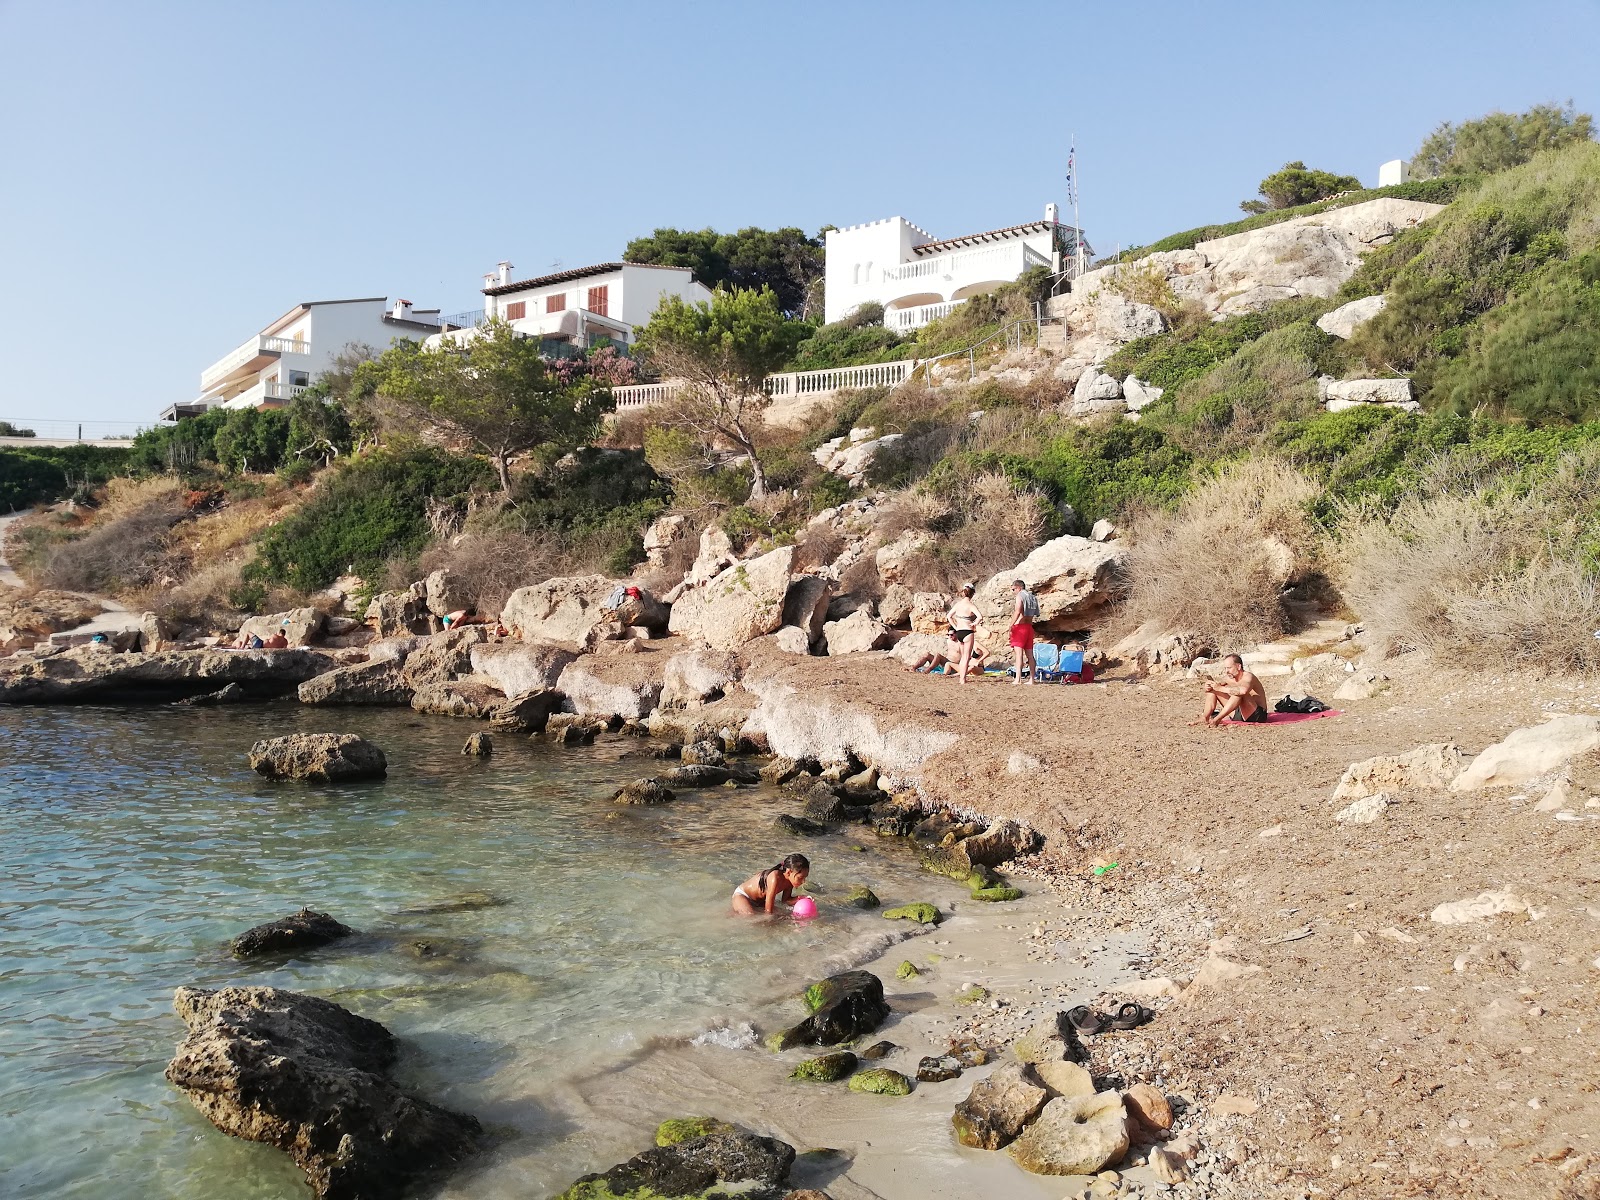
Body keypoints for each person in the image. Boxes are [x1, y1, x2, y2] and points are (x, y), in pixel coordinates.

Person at [1191, 654, 1267, 726]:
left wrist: (1220, 688)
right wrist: (1210, 686)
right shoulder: (1229, 678)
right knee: (1214, 690)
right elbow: (1217, 686)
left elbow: (1244, 691)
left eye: (1229, 668)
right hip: (1239, 713)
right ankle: (1205, 717)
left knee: (1238, 693)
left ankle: (1217, 718)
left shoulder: (1248, 676)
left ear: (1238, 666)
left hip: (1256, 715)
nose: (1227, 671)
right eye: (1225, 668)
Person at [732, 853, 811, 916]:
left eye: (805, 878)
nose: (803, 881)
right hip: (743, 896)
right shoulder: (775, 878)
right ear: (789, 872)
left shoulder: (790, 881)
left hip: (759, 901)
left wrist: (801, 898)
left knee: (784, 915)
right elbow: (768, 911)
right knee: (750, 917)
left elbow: (785, 900)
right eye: (800, 878)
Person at [946, 584, 985, 684]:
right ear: (972, 594)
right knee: (966, 656)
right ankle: (963, 679)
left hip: (959, 632)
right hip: (968, 631)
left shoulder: (958, 604)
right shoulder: (971, 605)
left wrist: (955, 627)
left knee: (963, 656)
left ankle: (961, 678)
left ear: (963, 592)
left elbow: (949, 616)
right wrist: (974, 623)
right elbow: (980, 616)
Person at [1009, 579, 1040, 686]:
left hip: (1020, 627)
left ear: (1018, 587)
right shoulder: (1032, 597)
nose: (1013, 592)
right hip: (1029, 627)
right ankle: (1032, 679)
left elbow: (1018, 611)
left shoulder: (1020, 596)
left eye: (1013, 589)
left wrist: (1011, 625)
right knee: (1030, 655)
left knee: (1019, 654)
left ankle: (1018, 679)